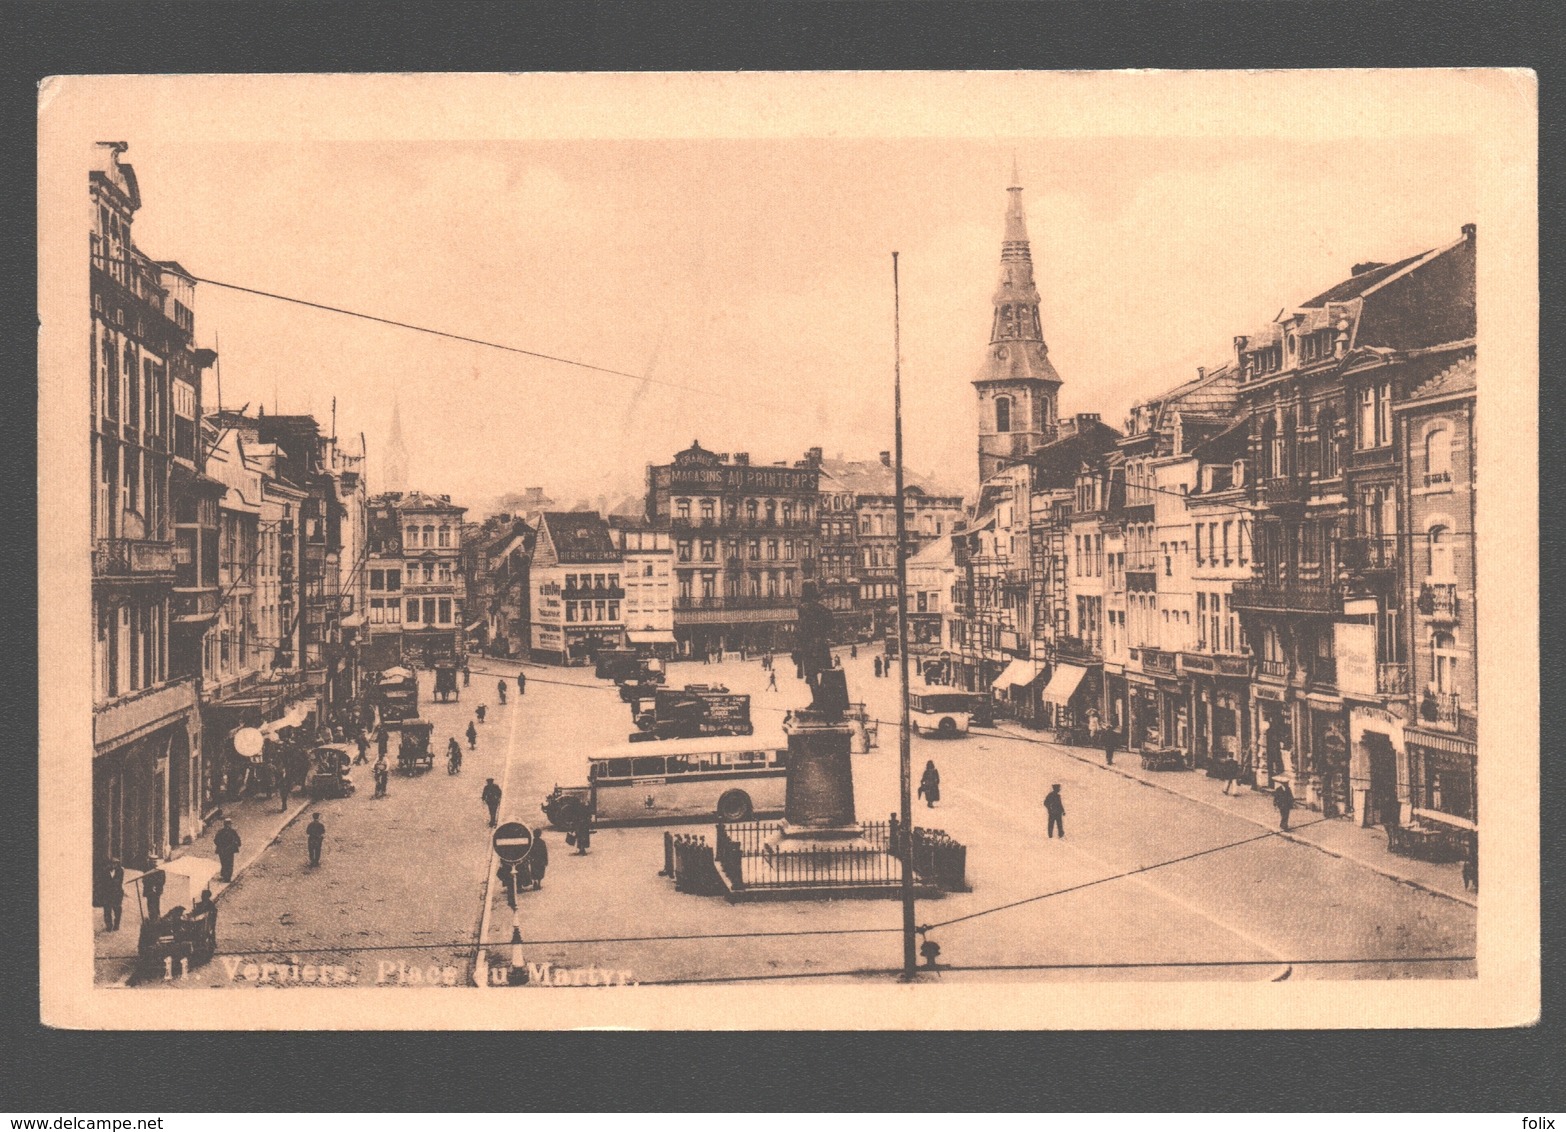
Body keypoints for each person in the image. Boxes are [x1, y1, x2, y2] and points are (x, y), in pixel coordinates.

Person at [96, 857, 125, 931]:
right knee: (107, 910)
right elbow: (101, 882)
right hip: (107, 894)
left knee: (117, 910)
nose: (113, 865)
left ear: (117, 864)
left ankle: (116, 924)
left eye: (115, 864)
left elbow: (120, 882)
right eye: (112, 864)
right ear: (109, 864)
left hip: (117, 893)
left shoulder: (120, 871)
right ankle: (109, 926)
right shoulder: (105, 871)